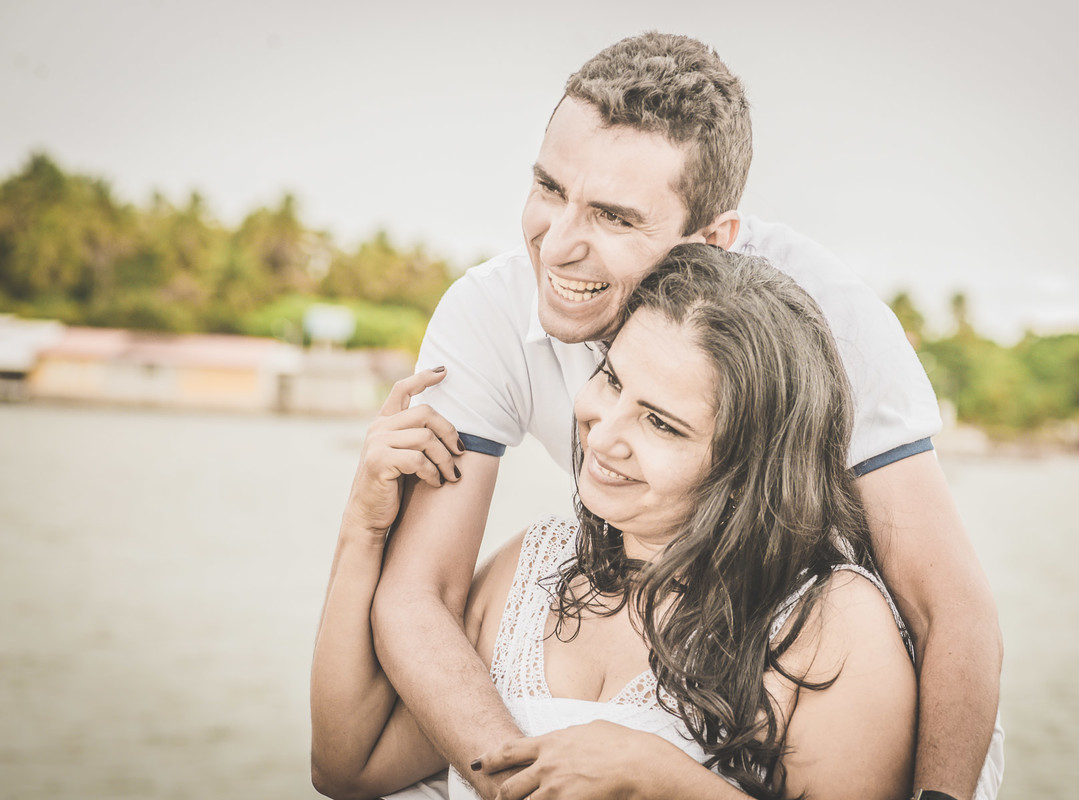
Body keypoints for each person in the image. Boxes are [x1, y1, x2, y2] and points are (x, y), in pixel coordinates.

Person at [356, 32, 1002, 800]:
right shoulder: (488, 313)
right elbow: (417, 593)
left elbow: (947, 607)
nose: (557, 246)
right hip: (657, 623)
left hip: (828, 681)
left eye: (615, 218)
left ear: (713, 241)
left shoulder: (832, 326)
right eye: (550, 188)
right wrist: (518, 777)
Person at [311, 244, 919, 800]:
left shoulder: (831, 625)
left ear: (751, 469)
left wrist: (663, 780)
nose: (604, 434)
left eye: (660, 423)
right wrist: (363, 530)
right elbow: (349, 767)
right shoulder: (534, 569)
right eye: (611, 379)